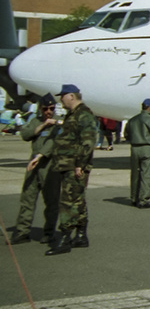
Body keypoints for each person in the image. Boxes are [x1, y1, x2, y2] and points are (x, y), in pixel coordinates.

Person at [46, 84, 97, 256]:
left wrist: (79, 164)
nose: (61, 100)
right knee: (78, 200)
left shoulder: (84, 115)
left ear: (71, 96)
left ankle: (64, 239)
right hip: (68, 164)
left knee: (68, 202)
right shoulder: (74, 114)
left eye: (63, 96)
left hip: (74, 166)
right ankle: (81, 236)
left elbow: (88, 141)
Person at [11, 95, 61, 244]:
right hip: (33, 165)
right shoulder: (36, 121)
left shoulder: (58, 123)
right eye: (45, 109)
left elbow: (53, 143)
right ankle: (23, 231)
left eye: (51, 109)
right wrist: (42, 126)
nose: (48, 112)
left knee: (51, 201)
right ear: (40, 108)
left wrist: (39, 156)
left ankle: (49, 232)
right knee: (27, 198)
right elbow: (25, 135)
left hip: (49, 165)